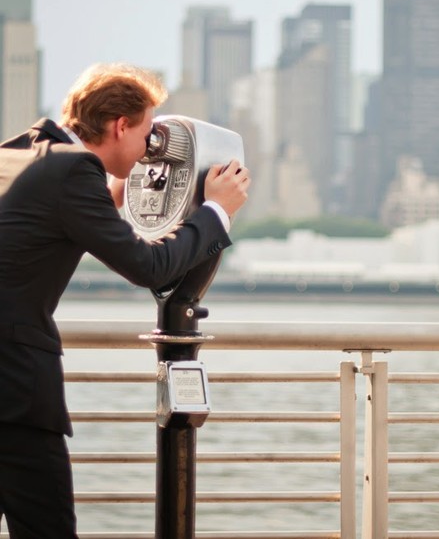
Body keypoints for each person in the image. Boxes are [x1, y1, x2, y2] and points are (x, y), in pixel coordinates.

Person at [0, 63, 251, 538]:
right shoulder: (74, 172)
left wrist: (110, 194)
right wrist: (218, 209)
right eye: (148, 134)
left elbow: (41, 220)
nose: (148, 151)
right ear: (120, 126)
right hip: (13, 394)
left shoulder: (23, 151)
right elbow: (149, 268)